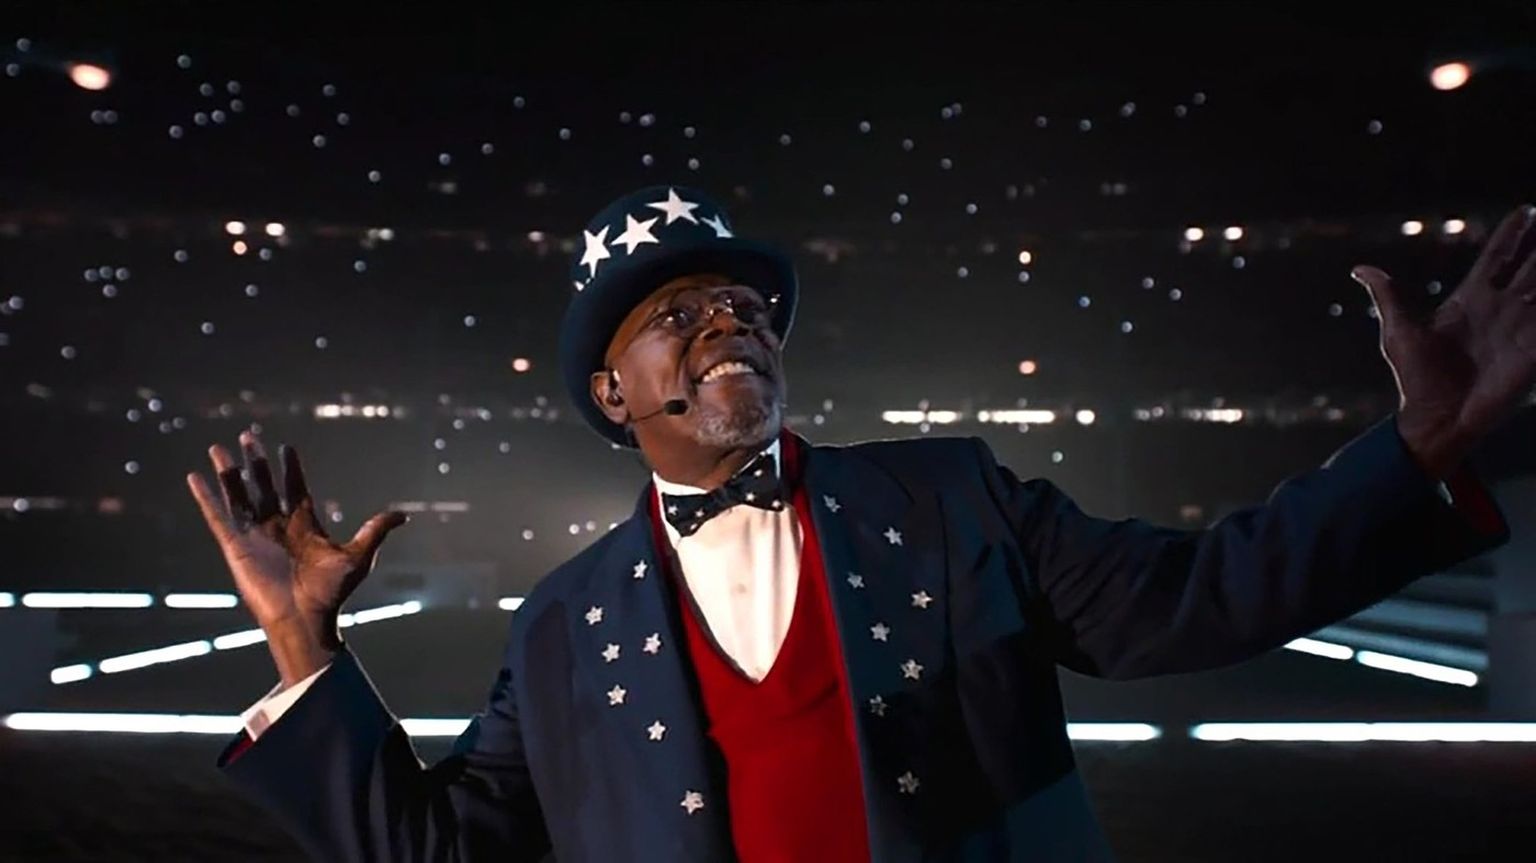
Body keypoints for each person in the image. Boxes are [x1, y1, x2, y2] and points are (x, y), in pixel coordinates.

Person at [186, 186, 1533, 862]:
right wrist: (305, 646)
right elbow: (437, 853)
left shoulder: (952, 500)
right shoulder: (560, 627)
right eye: (678, 314)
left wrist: (1419, 446)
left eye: (746, 306)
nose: (729, 321)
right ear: (613, 393)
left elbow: (1199, 596)